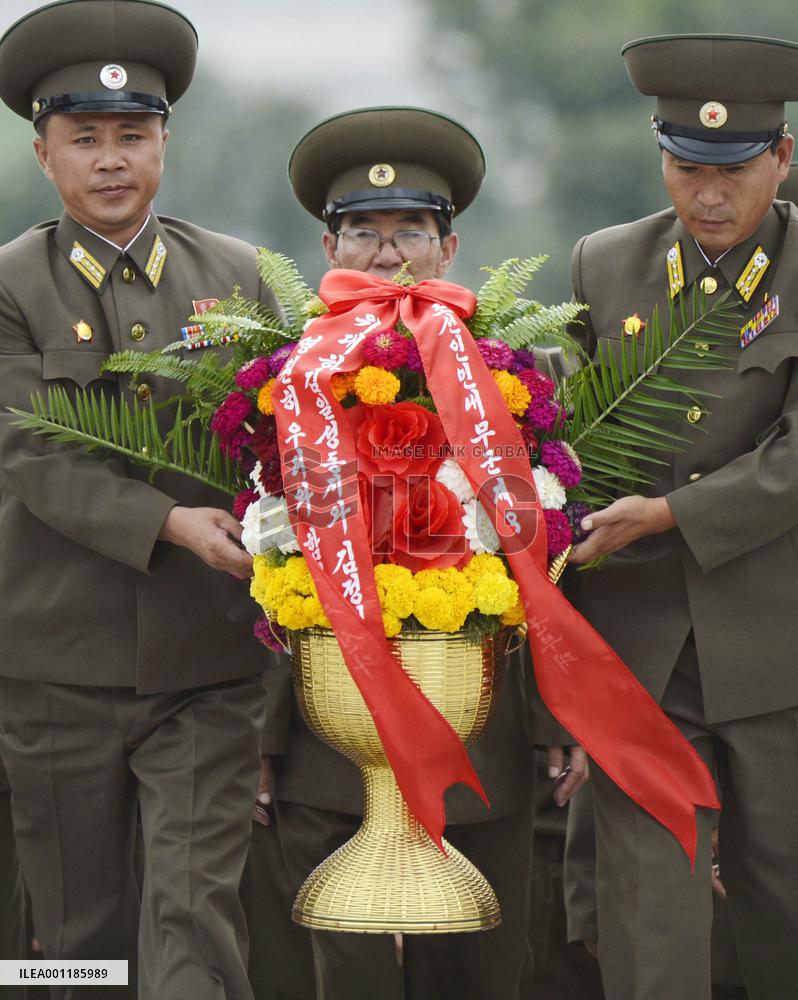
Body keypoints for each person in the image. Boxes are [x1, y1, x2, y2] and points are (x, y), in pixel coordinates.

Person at [244, 105, 567, 1000]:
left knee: (476, 968)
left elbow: (551, 559)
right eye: (365, 232)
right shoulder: (287, 379)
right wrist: (260, 737)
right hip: (326, 737)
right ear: (328, 246)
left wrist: (554, 725)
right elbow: (263, 558)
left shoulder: (512, 373)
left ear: (448, 249)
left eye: (411, 231)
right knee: (341, 971)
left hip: (481, 734)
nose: (388, 255)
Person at [0, 2, 276, 996]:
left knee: (194, 910)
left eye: (133, 135)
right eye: (86, 140)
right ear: (44, 154)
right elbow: (28, 453)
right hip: (54, 664)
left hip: (206, 663)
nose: (111, 160)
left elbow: (283, 441)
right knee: (76, 934)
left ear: (164, 140)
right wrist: (165, 521)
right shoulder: (12, 286)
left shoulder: (238, 276)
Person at [564, 33, 798, 1000]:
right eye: (686, 167)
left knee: (781, 919)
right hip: (641, 662)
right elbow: (562, 442)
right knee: (652, 933)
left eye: (734, 170)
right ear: (661, 158)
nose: (708, 194)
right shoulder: (604, 264)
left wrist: (670, 512)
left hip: (778, 655)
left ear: (782, 159)